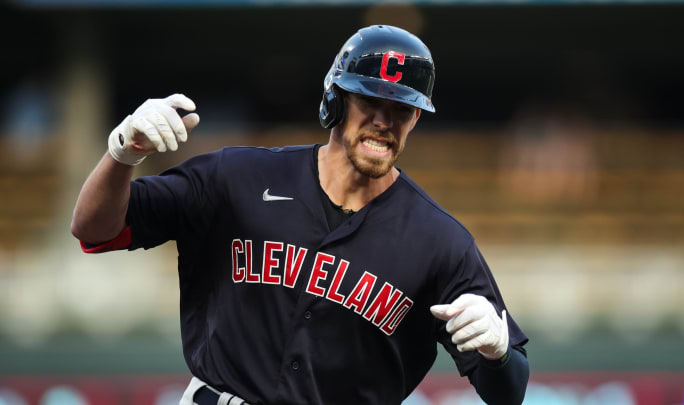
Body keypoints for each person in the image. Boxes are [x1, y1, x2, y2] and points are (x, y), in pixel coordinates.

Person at [71, 25, 529, 405]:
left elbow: (509, 392)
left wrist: (499, 353)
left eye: (401, 110)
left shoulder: (440, 241)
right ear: (335, 99)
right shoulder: (237, 178)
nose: (384, 122)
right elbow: (93, 229)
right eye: (370, 101)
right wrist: (121, 155)